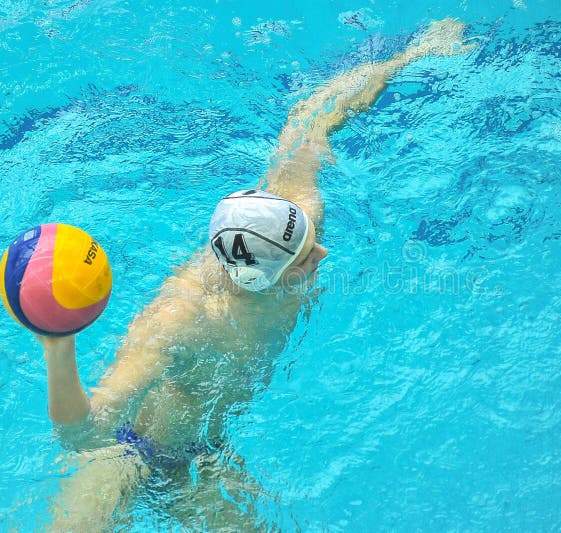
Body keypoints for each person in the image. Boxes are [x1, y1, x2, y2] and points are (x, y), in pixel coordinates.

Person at [37, 18, 474, 531]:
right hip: (132, 453)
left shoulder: (296, 211)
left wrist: (413, 54)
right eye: (305, 259)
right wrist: (58, 346)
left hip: (204, 452)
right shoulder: (181, 320)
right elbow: (84, 435)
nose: (324, 255)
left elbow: (313, 118)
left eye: (311, 241)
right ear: (258, 279)